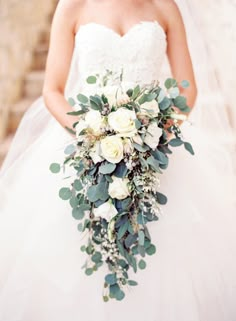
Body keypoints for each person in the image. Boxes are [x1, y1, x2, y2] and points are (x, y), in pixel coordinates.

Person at [0, 0, 235, 320]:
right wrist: (92, 134)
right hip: (86, 146)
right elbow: (52, 90)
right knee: (80, 256)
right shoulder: (72, 7)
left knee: (165, 258)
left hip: (154, 152)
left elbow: (186, 89)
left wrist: (152, 135)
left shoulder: (164, 7)